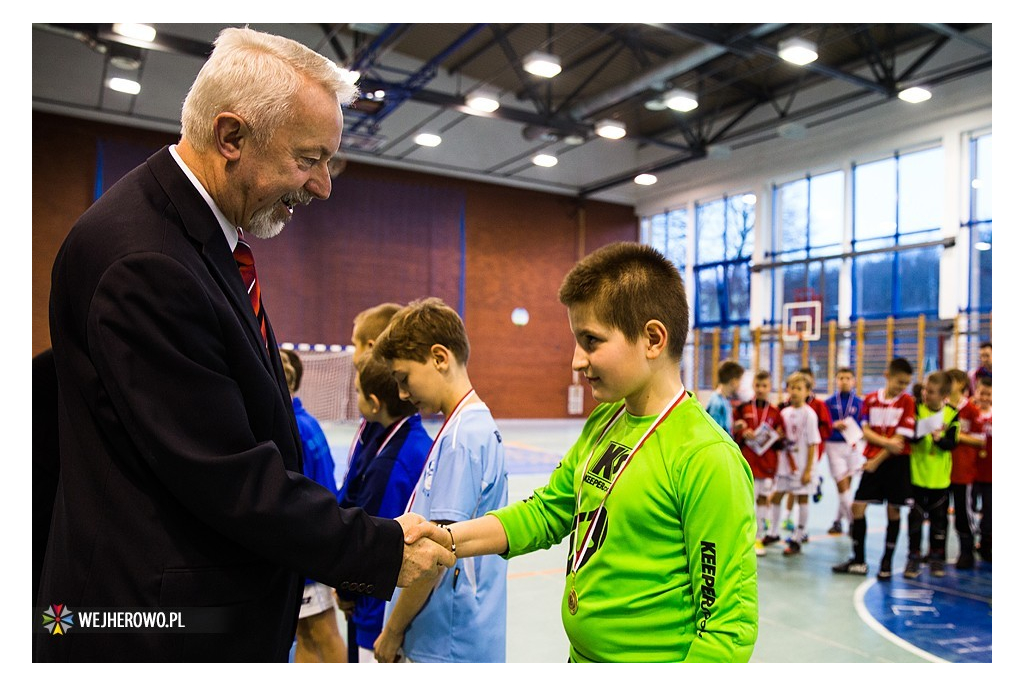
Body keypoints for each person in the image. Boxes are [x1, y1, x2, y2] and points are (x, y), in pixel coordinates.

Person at [36, 27, 453, 662]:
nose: (322, 186)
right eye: (309, 159)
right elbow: (226, 474)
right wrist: (379, 548)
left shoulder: (187, 236)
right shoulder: (146, 260)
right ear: (231, 138)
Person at [405, 243, 759, 662]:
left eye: (591, 341)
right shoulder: (605, 421)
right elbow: (547, 512)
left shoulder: (705, 455)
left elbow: (727, 626)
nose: (576, 360)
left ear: (652, 338)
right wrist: (445, 538)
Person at [372, 297, 509, 663]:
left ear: (439, 358)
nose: (402, 393)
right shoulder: (467, 427)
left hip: (446, 643)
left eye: (404, 379)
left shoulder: (462, 438)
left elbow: (434, 558)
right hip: (457, 638)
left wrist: (393, 631)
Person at [336, 352, 432, 662]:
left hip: (377, 613)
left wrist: (348, 590)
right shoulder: (412, 438)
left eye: (358, 392)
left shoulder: (389, 466)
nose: (355, 398)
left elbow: (373, 541)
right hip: (390, 607)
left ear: (375, 404)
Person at [279, 349, 347, 663]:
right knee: (306, 633)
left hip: (311, 552)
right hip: (314, 547)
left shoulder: (295, 429)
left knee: (323, 633)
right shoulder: (307, 422)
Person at [832, 357, 915, 580]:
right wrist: (887, 443)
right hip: (873, 462)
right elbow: (866, 431)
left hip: (894, 464)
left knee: (893, 510)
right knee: (858, 508)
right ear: (887, 376)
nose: (902, 387)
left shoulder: (908, 402)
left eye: (906, 383)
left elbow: (900, 441)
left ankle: (886, 563)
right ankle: (859, 561)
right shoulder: (870, 400)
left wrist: (877, 458)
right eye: (899, 382)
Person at [339, 302, 404, 503]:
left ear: (371, 348)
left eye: (354, 345)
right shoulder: (375, 420)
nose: (353, 355)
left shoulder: (384, 424)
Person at [903, 371, 959, 579]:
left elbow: (952, 443)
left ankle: (936, 558)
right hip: (917, 476)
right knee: (915, 521)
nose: (926, 394)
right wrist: (923, 431)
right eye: (925, 389)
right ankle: (913, 557)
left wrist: (938, 439)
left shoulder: (952, 413)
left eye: (932, 392)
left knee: (939, 523)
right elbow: (910, 437)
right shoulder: (917, 408)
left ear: (944, 395)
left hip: (940, 479)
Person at [766, 372, 821, 555]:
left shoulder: (810, 415)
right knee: (776, 497)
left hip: (802, 464)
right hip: (784, 465)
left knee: (802, 498)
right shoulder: (784, 412)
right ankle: (773, 532)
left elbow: (813, 444)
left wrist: (808, 470)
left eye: (799, 388)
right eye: (792, 388)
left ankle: (798, 537)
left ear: (807, 392)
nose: (795, 392)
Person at [733, 369, 785, 557]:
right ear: (753, 386)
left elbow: (781, 439)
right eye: (758, 385)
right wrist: (741, 431)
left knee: (763, 500)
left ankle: (759, 537)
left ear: (770, 387)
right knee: (746, 500)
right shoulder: (742, 408)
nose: (761, 389)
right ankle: (744, 537)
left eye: (765, 386)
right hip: (747, 460)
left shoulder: (775, 412)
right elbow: (733, 432)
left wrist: (779, 436)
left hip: (767, 463)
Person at [946, 368, 985, 570]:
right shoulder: (941, 406)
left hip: (963, 470)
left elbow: (980, 440)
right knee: (939, 513)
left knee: (963, 513)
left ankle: (966, 550)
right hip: (942, 471)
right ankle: (937, 551)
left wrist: (956, 436)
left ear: (961, 384)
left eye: (950, 381)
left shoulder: (970, 409)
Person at [823, 367, 865, 536]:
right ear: (836, 380)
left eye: (848, 378)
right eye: (841, 378)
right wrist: (834, 425)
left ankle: (837, 521)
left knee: (847, 488)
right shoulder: (828, 403)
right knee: (843, 487)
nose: (844, 381)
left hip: (853, 446)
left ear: (853, 381)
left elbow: (864, 425)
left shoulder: (860, 403)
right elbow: (824, 425)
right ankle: (853, 522)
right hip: (834, 447)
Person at [972, 376, 992, 562]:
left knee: (990, 511)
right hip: (971, 473)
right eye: (982, 393)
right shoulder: (970, 413)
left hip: (991, 475)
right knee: (968, 509)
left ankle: (987, 544)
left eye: (989, 394)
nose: (985, 397)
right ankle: (968, 545)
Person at [705, 360, 745, 434]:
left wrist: (734, 427)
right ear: (733, 382)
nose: (740, 385)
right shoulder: (717, 403)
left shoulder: (725, 399)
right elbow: (715, 434)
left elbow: (724, 429)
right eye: (740, 381)